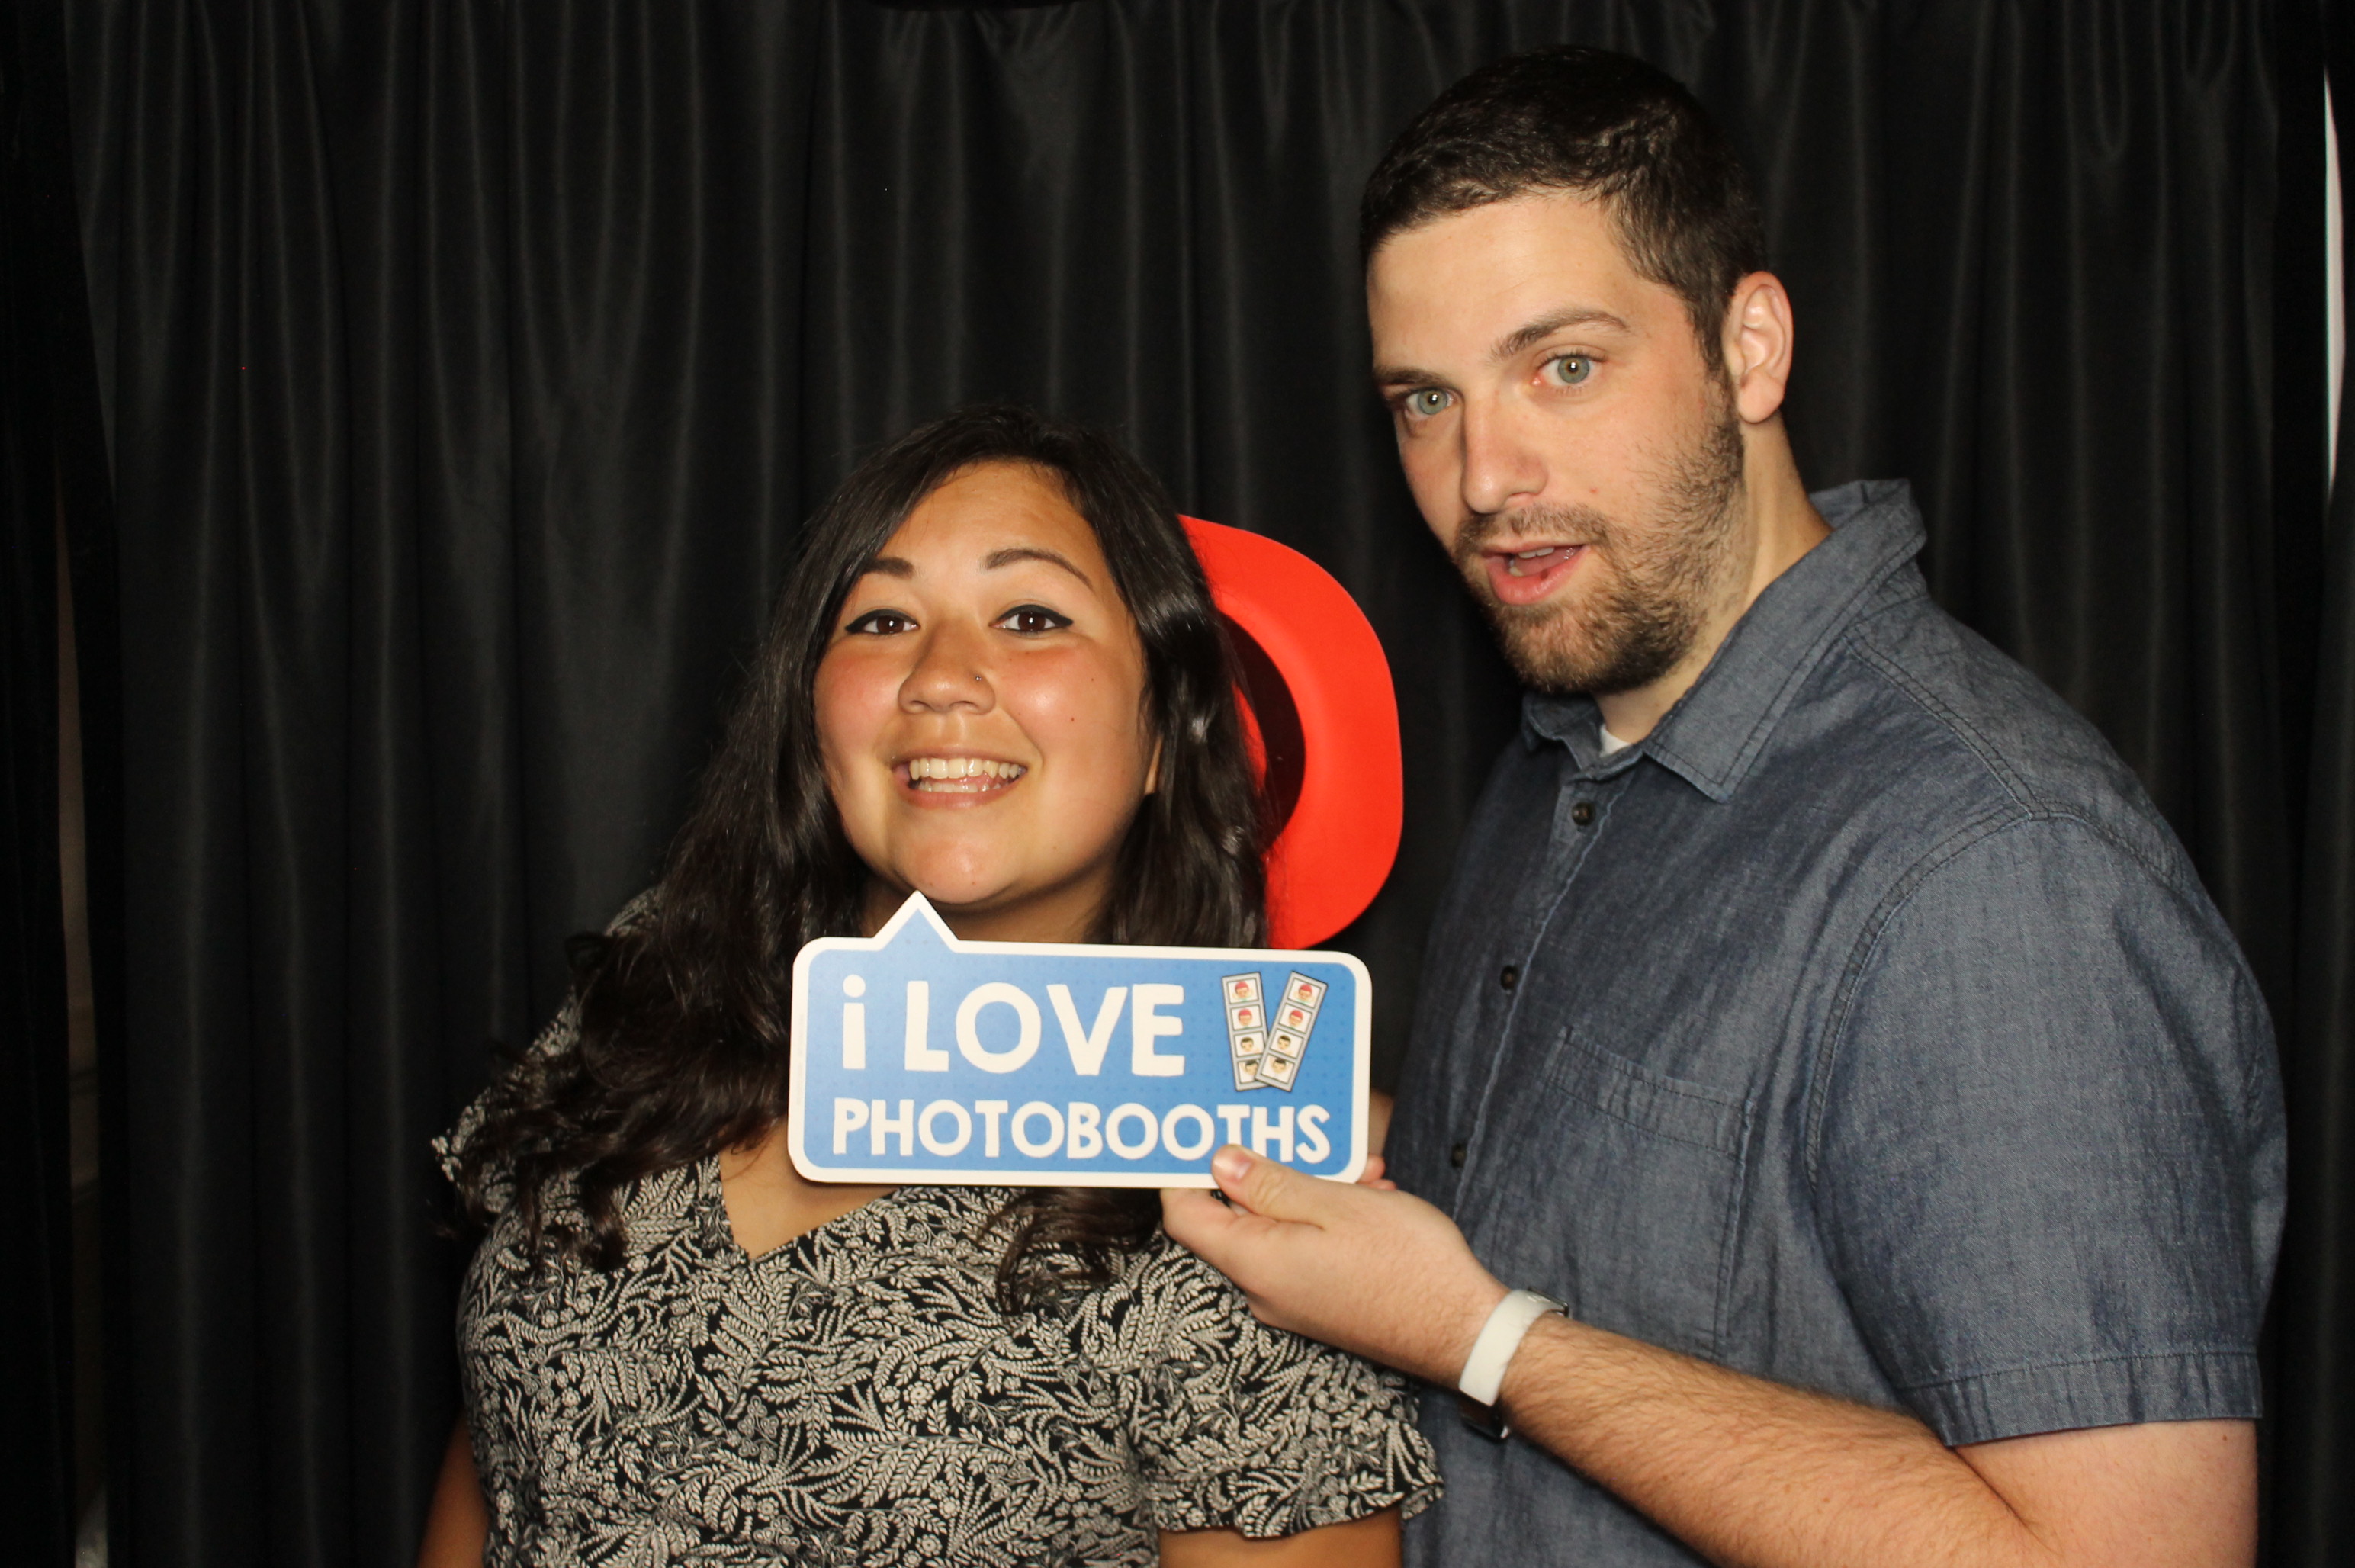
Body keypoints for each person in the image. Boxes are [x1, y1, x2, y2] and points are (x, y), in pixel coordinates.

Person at [1163, 45, 2283, 1568]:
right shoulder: (1566, 748)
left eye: (1562, 364)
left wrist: (1483, 1337)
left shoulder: (1990, 863)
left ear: (1747, 348)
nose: (1482, 474)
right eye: (1425, 399)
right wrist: (1400, 1152)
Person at [417, 405, 1441, 1567]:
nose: (941, 677)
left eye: (1032, 616)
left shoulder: (1247, 1213)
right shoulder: (662, 985)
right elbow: (503, 1449)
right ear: (813, 714)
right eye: (885, 618)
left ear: (1166, 729)